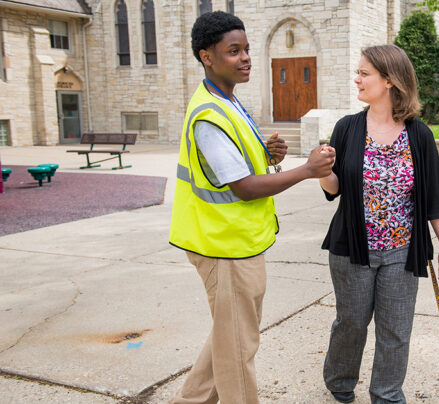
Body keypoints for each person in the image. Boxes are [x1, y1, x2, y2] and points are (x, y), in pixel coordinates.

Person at [168, 12, 336, 404]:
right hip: (221, 245)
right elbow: (243, 187)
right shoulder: (209, 115)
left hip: (239, 242)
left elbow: (236, 164)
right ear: (206, 56)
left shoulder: (228, 101)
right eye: (233, 51)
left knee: (231, 335)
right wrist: (307, 170)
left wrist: (266, 151)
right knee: (238, 347)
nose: (245, 58)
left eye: (246, 49)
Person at [318, 44, 439, 404]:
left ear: (390, 80)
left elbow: (433, 197)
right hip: (352, 250)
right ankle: (340, 381)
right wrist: (320, 173)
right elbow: (334, 189)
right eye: (358, 72)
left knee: (396, 329)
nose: (357, 78)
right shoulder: (347, 128)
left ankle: (387, 394)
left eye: (365, 73)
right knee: (351, 324)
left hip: (402, 251)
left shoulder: (418, 134)